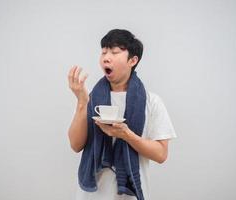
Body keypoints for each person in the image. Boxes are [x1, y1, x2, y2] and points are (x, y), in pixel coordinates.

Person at [68, 29, 177, 200]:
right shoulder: (91, 98)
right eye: (103, 51)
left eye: (114, 52)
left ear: (133, 60)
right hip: (91, 196)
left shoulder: (151, 101)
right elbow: (75, 145)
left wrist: (127, 135)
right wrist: (82, 102)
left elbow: (161, 154)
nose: (106, 57)